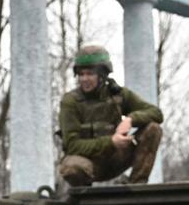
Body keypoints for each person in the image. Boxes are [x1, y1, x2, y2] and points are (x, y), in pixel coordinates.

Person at [58, 44, 164, 187]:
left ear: (102, 75)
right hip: (89, 164)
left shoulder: (118, 95)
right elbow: (72, 146)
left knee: (153, 129)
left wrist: (131, 120)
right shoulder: (70, 101)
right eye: (81, 74)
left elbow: (156, 113)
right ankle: (83, 199)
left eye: (90, 74)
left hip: (117, 158)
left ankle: (136, 186)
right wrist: (111, 142)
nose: (84, 79)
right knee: (71, 168)